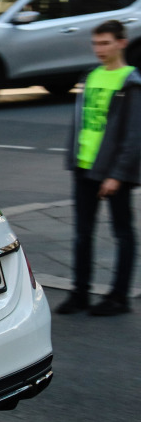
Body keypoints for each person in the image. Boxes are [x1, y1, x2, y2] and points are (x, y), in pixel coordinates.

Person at [57, 18, 141, 316]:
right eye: (95, 43)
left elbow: (133, 135)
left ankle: (119, 298)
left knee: (122, 232)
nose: (99, 49)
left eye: (105, 43)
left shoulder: (131, 81)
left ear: (122, 43)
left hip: (113, 171)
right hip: (84, 167)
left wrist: (117, 174)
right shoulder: (91, 77)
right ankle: (80, 294)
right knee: (82, 233)